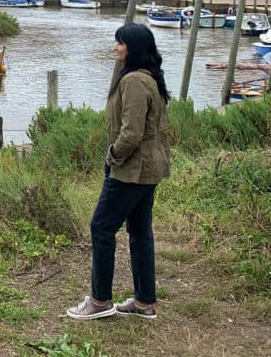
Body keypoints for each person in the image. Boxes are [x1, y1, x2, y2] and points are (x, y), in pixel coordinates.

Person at [66, 23, 171, 321]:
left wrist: (112, 157)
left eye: (120, 43)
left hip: (131, 170)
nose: (116, 47)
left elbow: (131, 132)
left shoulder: (135, 81)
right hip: (149, 168)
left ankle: (99, 300)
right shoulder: (149, 77)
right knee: (139, 232)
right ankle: (143, 302)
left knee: (101, 228)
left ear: (133, 47)